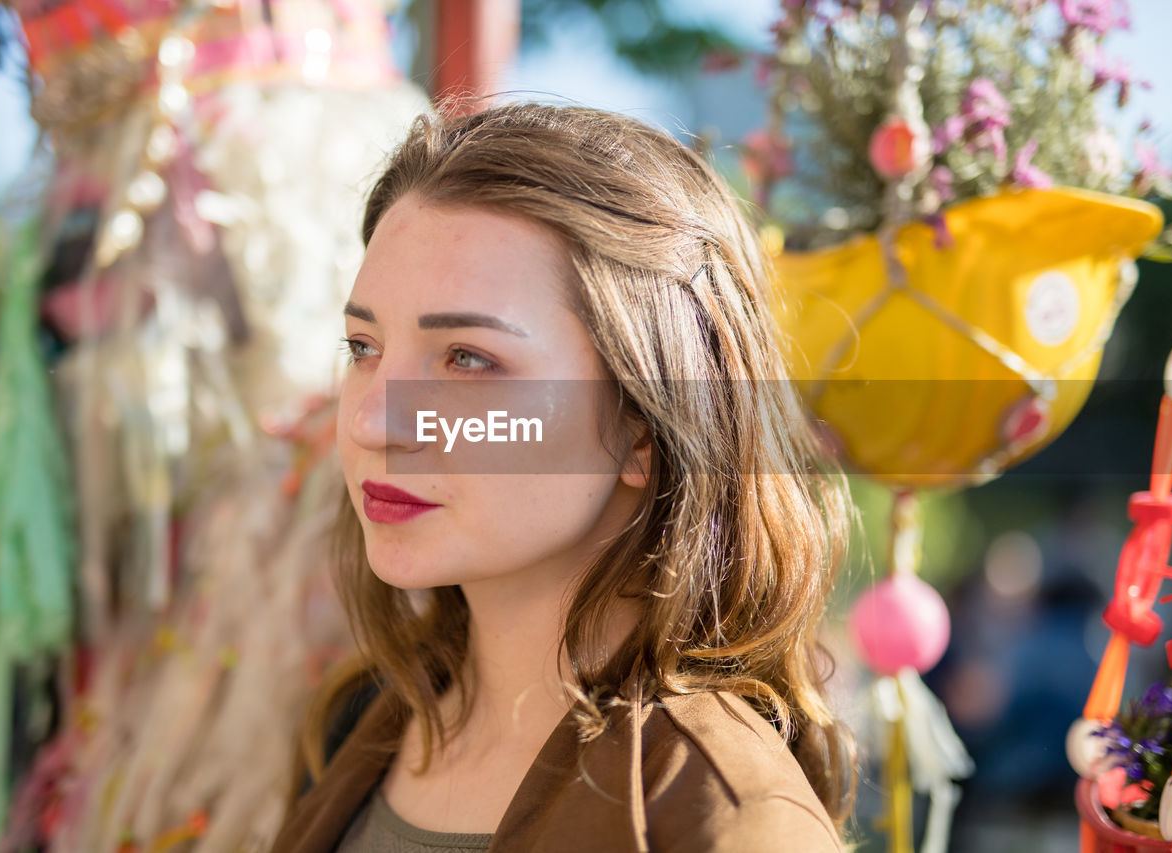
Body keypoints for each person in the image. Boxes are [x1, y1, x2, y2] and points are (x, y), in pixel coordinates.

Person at [270, 101, 857, 853]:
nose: (373, 422)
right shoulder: (357, 721)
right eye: (363, 346)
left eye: (469, 359)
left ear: (644, 423)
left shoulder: (727, 814)